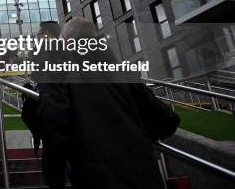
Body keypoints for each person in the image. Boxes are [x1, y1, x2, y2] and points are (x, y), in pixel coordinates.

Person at [36, 17, 181, 189]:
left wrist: (54, 180)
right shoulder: (125, 73)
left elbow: (55, 128)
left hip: (96, 177)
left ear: (67, 41)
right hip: (145, 176)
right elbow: (168, 120)